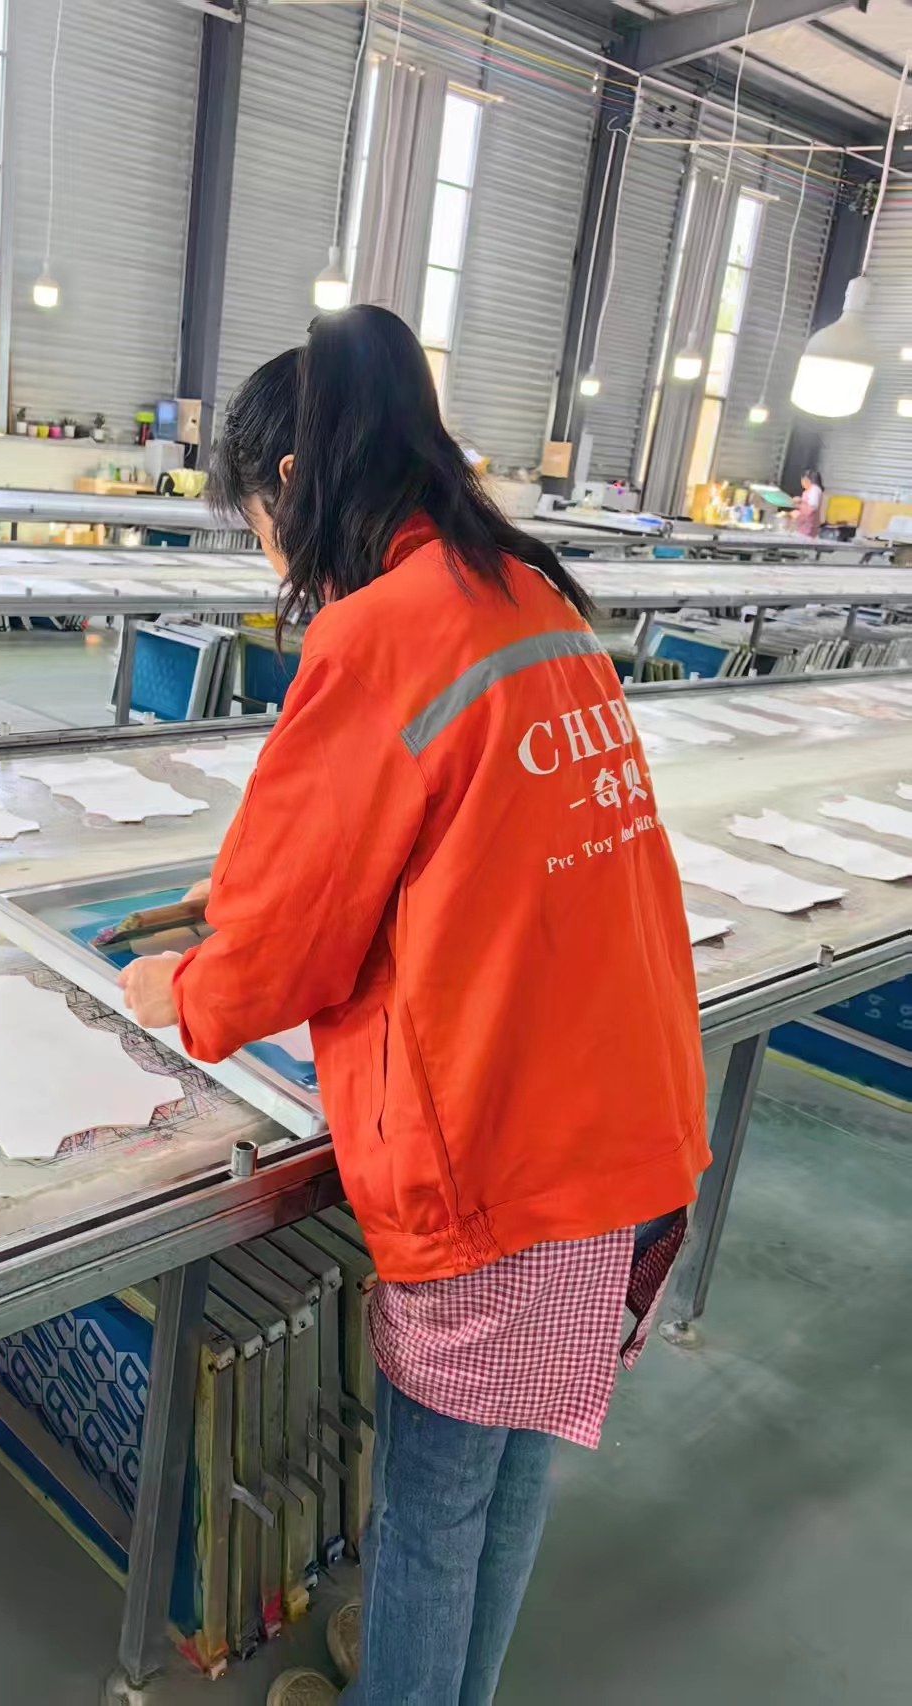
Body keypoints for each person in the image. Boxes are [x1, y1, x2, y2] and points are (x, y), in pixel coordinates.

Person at [120, 305, 708, 1706]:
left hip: (505, 1162)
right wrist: (248, 890)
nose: (270, 557)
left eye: (254, 523)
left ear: (288, 481)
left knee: (433, 1504)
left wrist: (174, 987)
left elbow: (281, 954)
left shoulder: (379, 631)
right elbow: (436, 837)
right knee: (506, 1480)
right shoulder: (528, 599)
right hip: (621, 1135)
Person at [792, 468, 824, 538]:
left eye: (802, 480)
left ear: (806, 479)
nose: (802, 483)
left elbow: (812, 507)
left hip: (809, 525)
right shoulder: (807, 491)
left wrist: (800, 501)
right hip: (803, 524)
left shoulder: (815, 489)